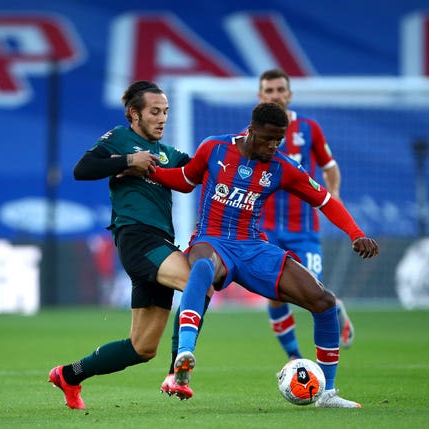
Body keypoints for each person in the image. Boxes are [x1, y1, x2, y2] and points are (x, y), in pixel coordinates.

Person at [151, 102, 379, 408]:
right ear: (251, 129)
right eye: (267, 139)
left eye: (278, 140)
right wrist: (150, 171)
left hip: (253, 247)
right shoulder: (214, 149)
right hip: (212, 239)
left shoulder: (282, 167)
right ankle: (184, 356)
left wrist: (356, 233)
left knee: (323, 301)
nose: (272, 146)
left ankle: (327, 394)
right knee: (202, 267)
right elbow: (185, 179)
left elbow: (324, 200)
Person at [47, 80, 207, 409]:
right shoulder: (120, 138)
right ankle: (176, 374)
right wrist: (127, 161)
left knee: (141, 348)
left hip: (160, 242)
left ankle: (69, 375)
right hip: (137, 237)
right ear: (134, 114)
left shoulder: (169, 154)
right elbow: (82, 169)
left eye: (166, 112)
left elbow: (200, 171)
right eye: (154, 112)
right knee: (197, 282)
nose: (162, 118)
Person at [257, 68, 354, 359]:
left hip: (304, 229)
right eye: (269, 91)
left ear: (290, 94)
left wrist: (332, 196)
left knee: (313, 293)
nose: (275, 95)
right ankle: (296, 360)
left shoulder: (309, 128)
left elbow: (330, 166)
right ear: (260, 96)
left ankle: (335, 307)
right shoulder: (252, 134)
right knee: (274, 294)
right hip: (266, 229)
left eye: (280, 90)